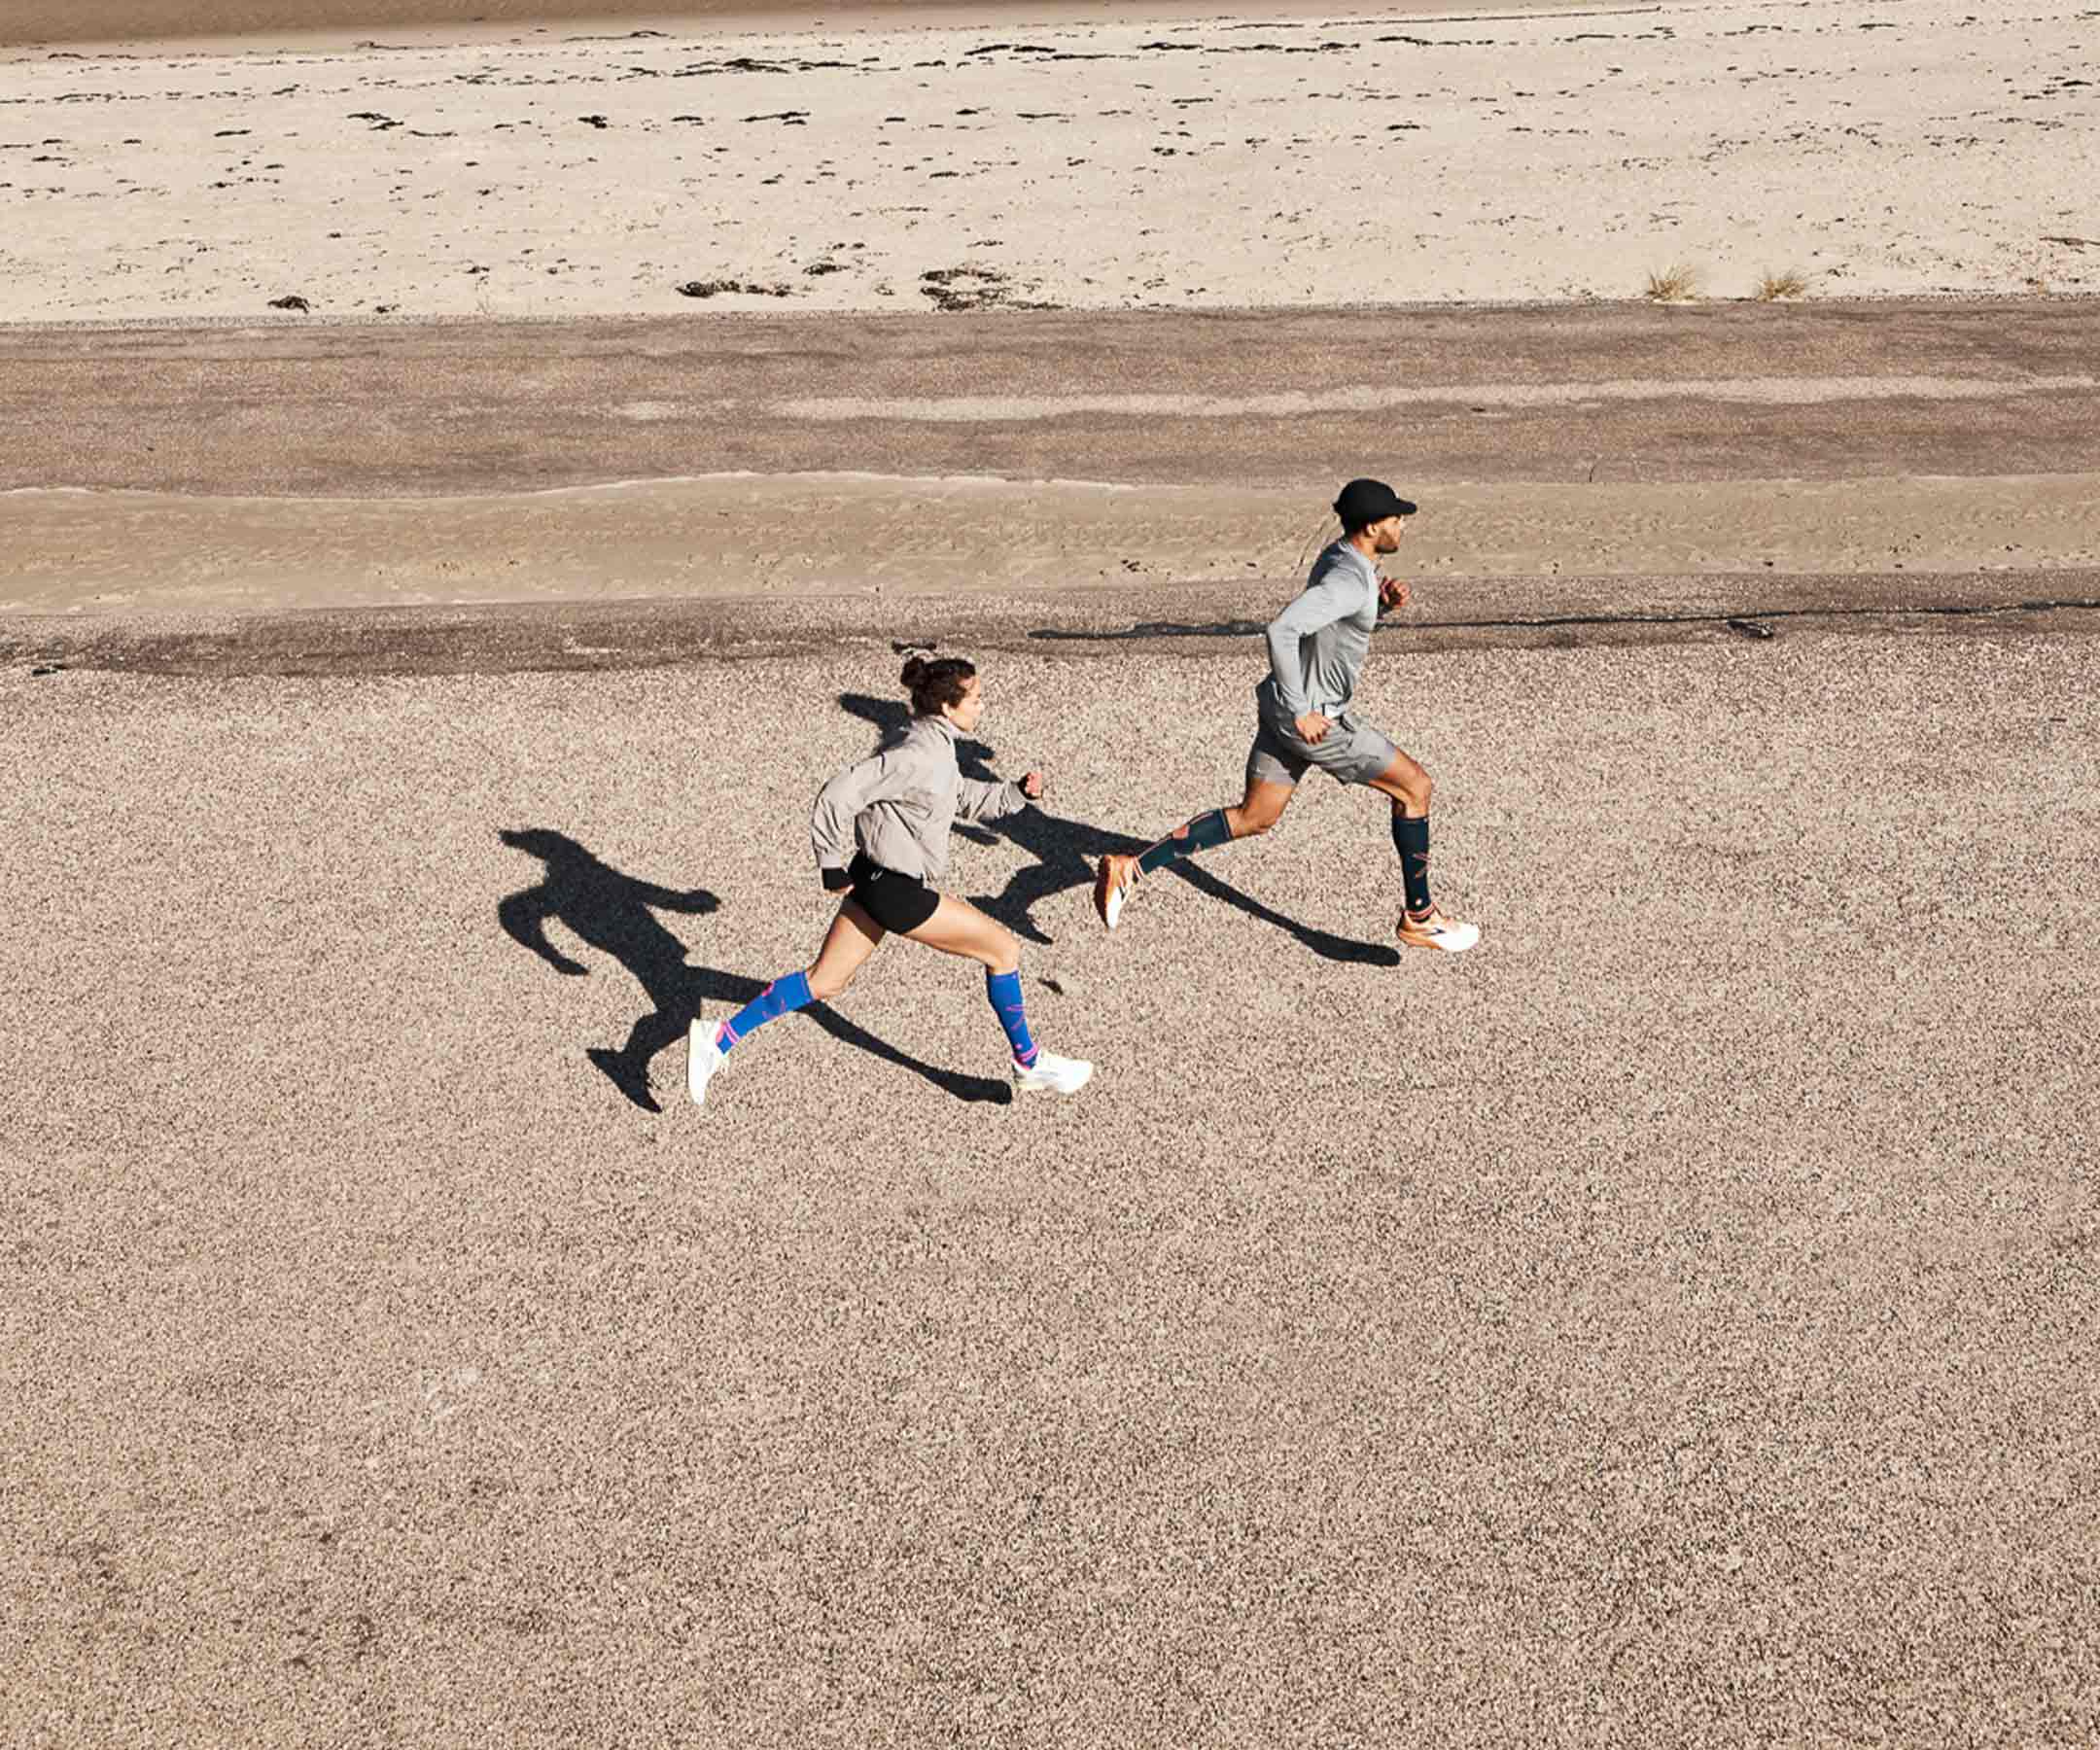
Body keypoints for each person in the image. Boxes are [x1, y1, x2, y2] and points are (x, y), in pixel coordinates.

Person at [1092, 478, 1480, 954]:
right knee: (1415, 787)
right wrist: (1303, 712)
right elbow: (1283, 630)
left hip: (1280, 707)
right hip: (1314, 721)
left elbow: (1331, 625)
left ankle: (1130, 867)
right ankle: (1420, 916)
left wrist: (1380, 606)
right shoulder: (1347, 579)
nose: (1403, 526)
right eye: (1397, 519)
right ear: (1373, 525)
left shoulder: (1339, 557)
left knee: (1255, 816)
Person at [688, 652, 1095, 1106]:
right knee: (1004, 950)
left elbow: (957, 796)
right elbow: (838, 793)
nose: (982, 706)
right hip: (896, 891)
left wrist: (1013, 794)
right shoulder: (914, 755)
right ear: (947, 706)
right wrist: (829, 862)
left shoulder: (931, 743)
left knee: (824, 982)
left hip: (875, 879)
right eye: (976, 699)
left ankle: (719, 1038)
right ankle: (1028, 1062)